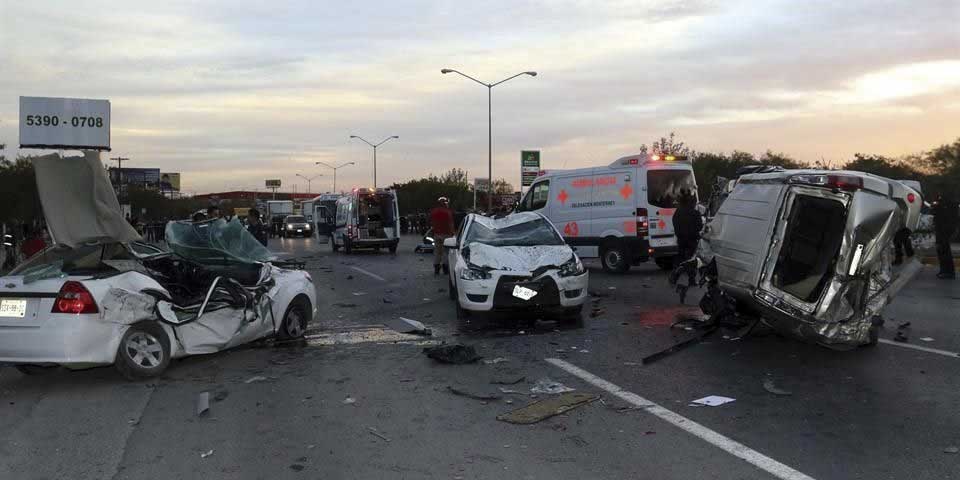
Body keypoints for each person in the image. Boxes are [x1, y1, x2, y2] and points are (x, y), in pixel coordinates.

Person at [672, 190, 703, 284]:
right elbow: (700, 226)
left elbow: (675, 223)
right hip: (692, 239)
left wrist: (679, 233)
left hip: (681, 239)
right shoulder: (696, 213)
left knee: (680, 259)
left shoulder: (678, 212)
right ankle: (691, 279)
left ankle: (674, 277)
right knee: (691, 260)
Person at [933, 193, 959, 280]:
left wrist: (937, 207)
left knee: (944, 249)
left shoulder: (949, 202)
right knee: (941, 249)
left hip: (945, 228)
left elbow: (948, 216)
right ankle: (944, 270)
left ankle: (948, 272)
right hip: (941, 227)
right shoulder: (943, 202)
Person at [429, 197, 455, 276]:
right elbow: (450, 223)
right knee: (445, 252)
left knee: (437, 252)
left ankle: (436, 268)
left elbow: (431, 223)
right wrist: (452, 233)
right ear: (445, 203)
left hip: (437, 234)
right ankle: (445, 268)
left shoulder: (433, 212)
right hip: (446, 234)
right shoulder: (448, 212)